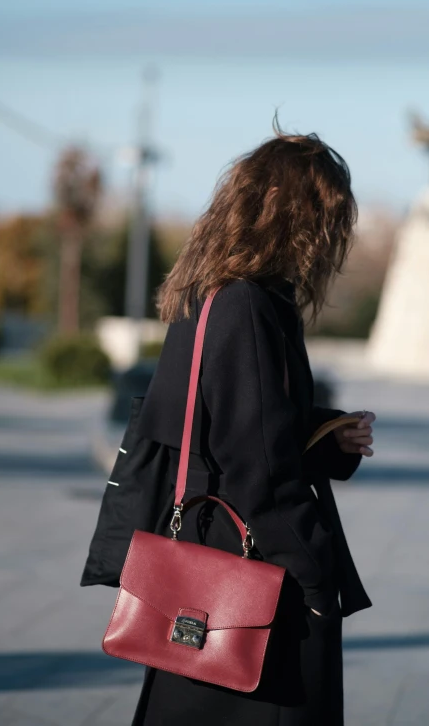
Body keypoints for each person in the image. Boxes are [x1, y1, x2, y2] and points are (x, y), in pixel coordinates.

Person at [131, 122, 375, 726]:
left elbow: (229, 424)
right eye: (329, 220)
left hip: (212, 550)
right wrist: (316, 577)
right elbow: (255, 467)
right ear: (299, 217)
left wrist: (322, 432)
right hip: (255, 576)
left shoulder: (209, 294)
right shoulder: (249, 306)